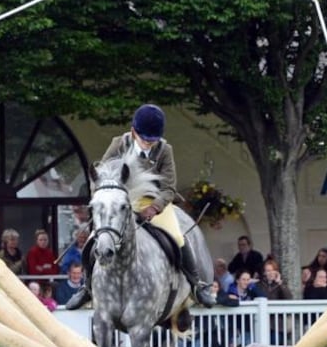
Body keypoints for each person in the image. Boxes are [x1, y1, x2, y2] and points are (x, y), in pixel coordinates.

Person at [66, 104, 215, 309]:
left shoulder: (164, 150)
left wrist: (154, 208)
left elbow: (169, 188)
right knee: (94, 239)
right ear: (134, 131)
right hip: (120, 202)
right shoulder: (119, 144)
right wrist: (106, 199)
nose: (148, 145)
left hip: (153, 203)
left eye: (152, 141)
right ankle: (86, 288)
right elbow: (99, 177)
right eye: (145, 140)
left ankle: (197, 285)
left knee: (178, 236)